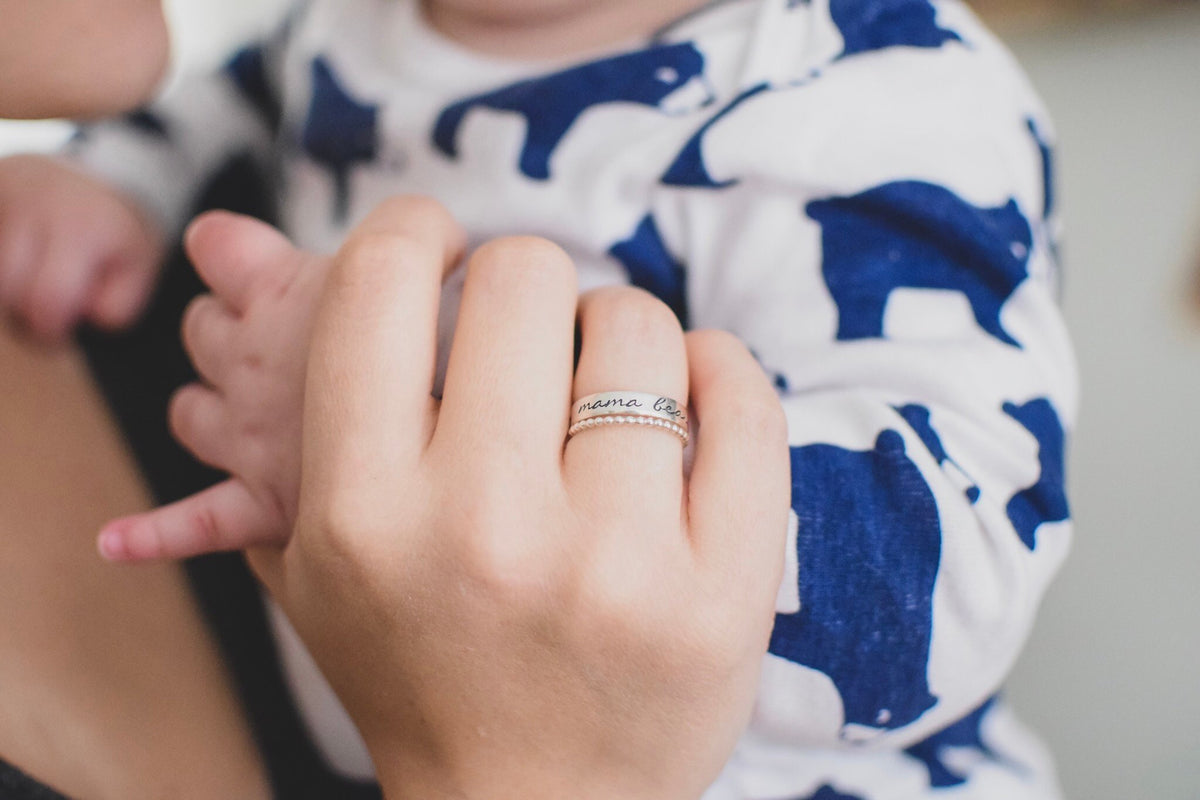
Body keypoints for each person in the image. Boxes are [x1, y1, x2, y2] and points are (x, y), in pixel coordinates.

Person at [0, 0, 1078, 796]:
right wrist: (115, 184)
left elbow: (945, 582)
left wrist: (390, 402)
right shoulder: (347, 23)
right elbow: (244, 87)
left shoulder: (873, 89)